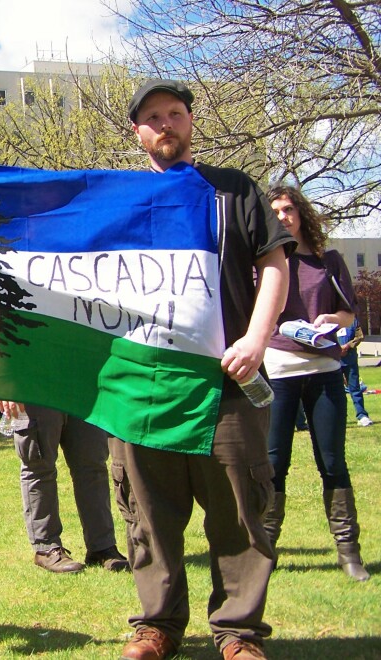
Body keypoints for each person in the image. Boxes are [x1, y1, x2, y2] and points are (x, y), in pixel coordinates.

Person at [111, 80, 295, 660]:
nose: (165, 124)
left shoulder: (235, 191)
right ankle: (157, 626)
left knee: (240, 511)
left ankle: (238, 634)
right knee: (148, 513)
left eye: (175, 114)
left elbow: (275, 267)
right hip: (143, 388)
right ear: (138, 132)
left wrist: (257, 340)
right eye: (153, 118)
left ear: (190, 121)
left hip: (228, 386)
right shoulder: (117, 201)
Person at [263, 185, 370, 583]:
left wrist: (331, 322)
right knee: (274, 465)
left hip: (324, 368)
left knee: (332, 462)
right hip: (279, 368)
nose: (283, 216)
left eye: (288, 208)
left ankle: (348, 554)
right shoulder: (265, 262)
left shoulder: (329, 261)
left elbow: (348, 312)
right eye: (275, 211)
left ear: (301, 213)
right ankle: (265, 553)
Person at [0, 402, 128, 574]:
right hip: (34, 386)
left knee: (93, 467)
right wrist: (6, 385)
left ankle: (102, 548)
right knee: (38, 466)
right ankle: (46, 548)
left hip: (83, 386)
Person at [338, 317, 373, 427]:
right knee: (336, 392)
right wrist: (337, 349)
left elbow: (359, 336)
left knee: (355, 389)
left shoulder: (353, 320)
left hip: (350, 361)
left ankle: (362, 415)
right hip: (334, 362)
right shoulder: (329, 321)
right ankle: (339, 417)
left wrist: (347, 346)